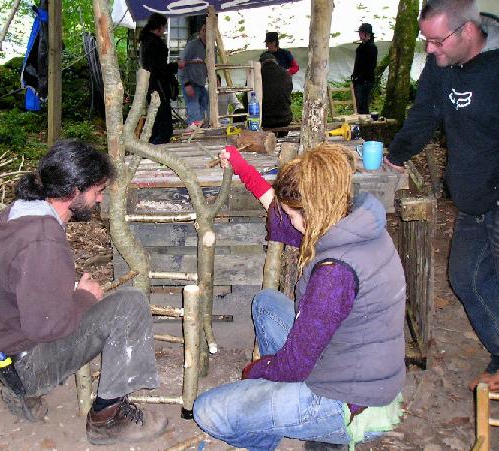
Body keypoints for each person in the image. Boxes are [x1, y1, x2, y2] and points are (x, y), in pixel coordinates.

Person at [193, 143, 406, 450]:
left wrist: (258, 371)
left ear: (314, 211)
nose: (290, 221)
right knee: (267, 305)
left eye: (294, 214)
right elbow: (273, 204)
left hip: (351, 401)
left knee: (208, 411)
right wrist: (240, 166)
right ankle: (279, 423)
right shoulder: (355, 221)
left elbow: (295, 365)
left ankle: (319, 431)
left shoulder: (336, 274)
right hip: (356, 363)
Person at [0, 139, 167, 446]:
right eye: (97, 191)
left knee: (96, 302)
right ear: (74, 191)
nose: (101, 200)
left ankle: (20, 390)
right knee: (130, 304)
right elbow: (46, 326)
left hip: (3, 357)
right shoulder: (42, 240)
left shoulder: (22, 215)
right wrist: (84, 297)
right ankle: (108, 418)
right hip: (22, 364)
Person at [384, 0, 499, 390]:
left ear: (467, 31)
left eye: (436, 41)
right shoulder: (441, 64)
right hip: (471, 198)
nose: (430, 51)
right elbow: (424, 112)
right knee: (465, 277)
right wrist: (395, 156)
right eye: (426, 42)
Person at [139, 13, 181, 144]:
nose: (164, 31)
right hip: (158, 87)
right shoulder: (153, 43)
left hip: (151, 86)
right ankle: (158, 152)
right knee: (163, 127)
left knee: (156, 124)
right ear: (159, 27)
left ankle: (152, 147)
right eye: (164, 28)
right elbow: (158, 69)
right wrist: (175, 65)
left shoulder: (145, 40)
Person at [179, 23, 209, 126]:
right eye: (203, 30)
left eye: (207, 30)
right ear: (200, 32)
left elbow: (212, 66)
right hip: (191, 83)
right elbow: (181, 64)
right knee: (195, 114)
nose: (205, 33)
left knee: (206, 110)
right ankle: (194, 134)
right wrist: (186, 84)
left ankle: (200, 133)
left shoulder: (212, 48)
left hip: (201, 84)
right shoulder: (192, 45)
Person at [259, 52, 293, 135]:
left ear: (260, 63)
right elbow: (288, 92)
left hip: (264, 120)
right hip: (284, 119)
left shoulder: (256, 75)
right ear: (276, 62)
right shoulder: (286, 74)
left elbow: (247, 99)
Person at [351, 23, 378, 114]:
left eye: (361, 33)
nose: (360, 35)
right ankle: (361, 123)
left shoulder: (371, 48)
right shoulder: (362, 47)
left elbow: (371, 66)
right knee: (359, 104)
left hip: (365, 81)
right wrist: (355, 76)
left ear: (367, 34)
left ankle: (364, 124)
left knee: (363, 104)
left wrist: (361, 77)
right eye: (360, 33)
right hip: (359, 80)